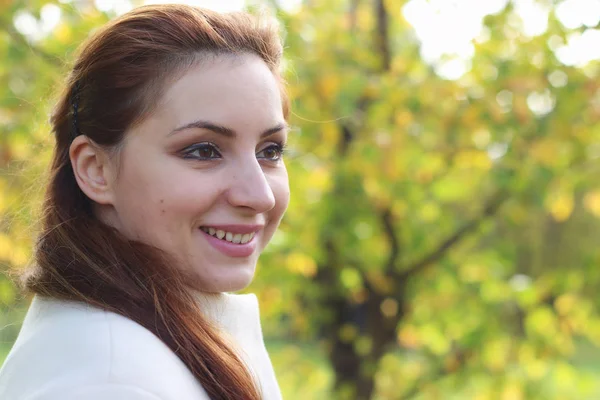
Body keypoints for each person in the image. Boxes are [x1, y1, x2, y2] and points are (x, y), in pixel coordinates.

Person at [0, 4, 290, 400]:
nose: (260, 195)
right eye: (204, 151)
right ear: (96, 169)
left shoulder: (155, 343)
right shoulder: (108, 380)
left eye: (270, 151)